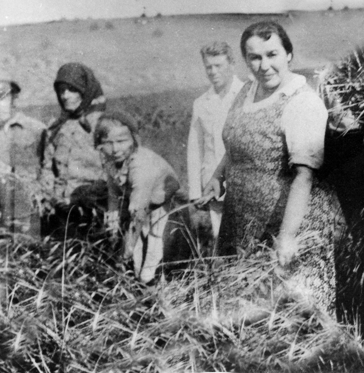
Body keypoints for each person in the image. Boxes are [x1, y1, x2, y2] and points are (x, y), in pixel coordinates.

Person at [198, 21, 346, 314]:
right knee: (243, 308)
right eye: (254, 57)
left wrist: (287, 237)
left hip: (289, 223)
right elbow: (236, 146)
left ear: (288, 55)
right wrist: (218, 175)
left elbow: (304, 176)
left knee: (290, 314)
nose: (263, 65)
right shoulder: (246, 92)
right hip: (242, 221)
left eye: (272, 54)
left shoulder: (302, 102)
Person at [95, 111, 192, 285]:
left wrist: (126, 251)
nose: (115, 149)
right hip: (141, 207)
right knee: (137, 253)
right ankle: (139, 282)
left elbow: (138, 213)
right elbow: (113, 192)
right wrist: (112, 220)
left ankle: (156, 285)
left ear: (133, 139)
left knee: (156, 250)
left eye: (121, 141)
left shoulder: (141, 165)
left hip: (164, 204)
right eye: (108, 143)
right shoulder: (110, 161)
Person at [41, 62, 107, 237]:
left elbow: (114, 171)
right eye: (61, 90)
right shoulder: (55, 129)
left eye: (72, 89)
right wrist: (51, 199)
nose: (65, 96)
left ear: (85, 90)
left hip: (95, 211)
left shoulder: (104, 125)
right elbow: (47, 168)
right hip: (60, 213)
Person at [187, 41, 244, 240]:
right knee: (221, 239)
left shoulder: (248, 93)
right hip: (213, 186)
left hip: (243, 181)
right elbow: (195, 149)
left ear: (232, 64)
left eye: (218, 66)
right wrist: (195, 190)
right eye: (208, 67)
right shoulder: (201, 103)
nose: (213, 72)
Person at [0, 71, 46, 236]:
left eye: (1, 97)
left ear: (14, 99)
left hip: (26, 216)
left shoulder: (36, 129)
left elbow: (49, 170)